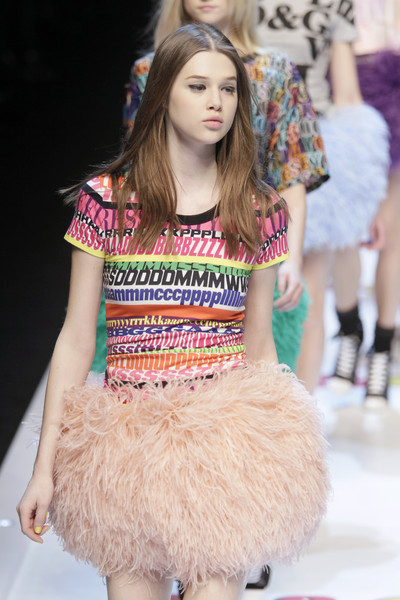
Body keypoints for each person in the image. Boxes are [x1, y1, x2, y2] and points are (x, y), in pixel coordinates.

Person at [16, 24, 329, 600]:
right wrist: (43, 468)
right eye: (198, 86)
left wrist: (280, 456)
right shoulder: (106, 200)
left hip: (223, 447)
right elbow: (77, 339)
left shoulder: (259, 209)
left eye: (228, 89)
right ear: (161, 93)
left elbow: (260, 346)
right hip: (126, 449)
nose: (217, 102)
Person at [88, 0, 330, 377]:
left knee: (265, 369)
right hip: (159, 255)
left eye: (228, 89)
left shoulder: (275, 70)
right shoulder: (149, 69)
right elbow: (139, 162)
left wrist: (292, 260)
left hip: (250, 246)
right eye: (197, 86)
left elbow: (292, 172)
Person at [256, 0, 390, 393]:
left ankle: (302, 418)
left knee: (306, 303)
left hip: (309, 149)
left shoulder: (335, 3)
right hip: (243, 145)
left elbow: (347, 97)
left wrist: (363, 198)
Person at [351, 0, 400, 407]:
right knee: (346, 232)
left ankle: (382, 344)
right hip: (348, 91)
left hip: (386, 85)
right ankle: (350, 329)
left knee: (392, 233)